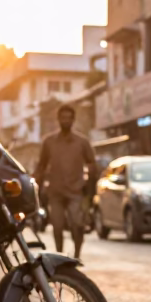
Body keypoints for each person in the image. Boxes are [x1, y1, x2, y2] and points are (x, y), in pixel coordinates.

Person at [33, 104, 98, 259]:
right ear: (58, 119)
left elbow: (92, 164)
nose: (66, 121)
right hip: (55, 191)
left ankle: (77, 255)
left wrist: (89, 189)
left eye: (69, 118)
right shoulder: (49, 142)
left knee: (77, 225)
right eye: (63, 118)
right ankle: (60, 257)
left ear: (73, 120)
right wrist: (36, 188)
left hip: (76, 191)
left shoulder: (82, 142)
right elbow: (41, 166)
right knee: (57, 227)